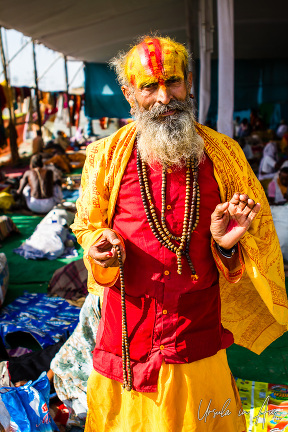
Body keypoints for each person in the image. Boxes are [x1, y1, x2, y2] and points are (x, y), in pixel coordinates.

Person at [71, 35, 288, 432]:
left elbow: (253, 249)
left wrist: (225, 246)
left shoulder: (225, 155)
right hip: (125, 340)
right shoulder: (104, 157)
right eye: (149, 86)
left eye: (172, 82)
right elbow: (86, 225)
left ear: (188, 82)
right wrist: (98, 246)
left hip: (196, 338)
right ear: (128, 93)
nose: (163, 98)